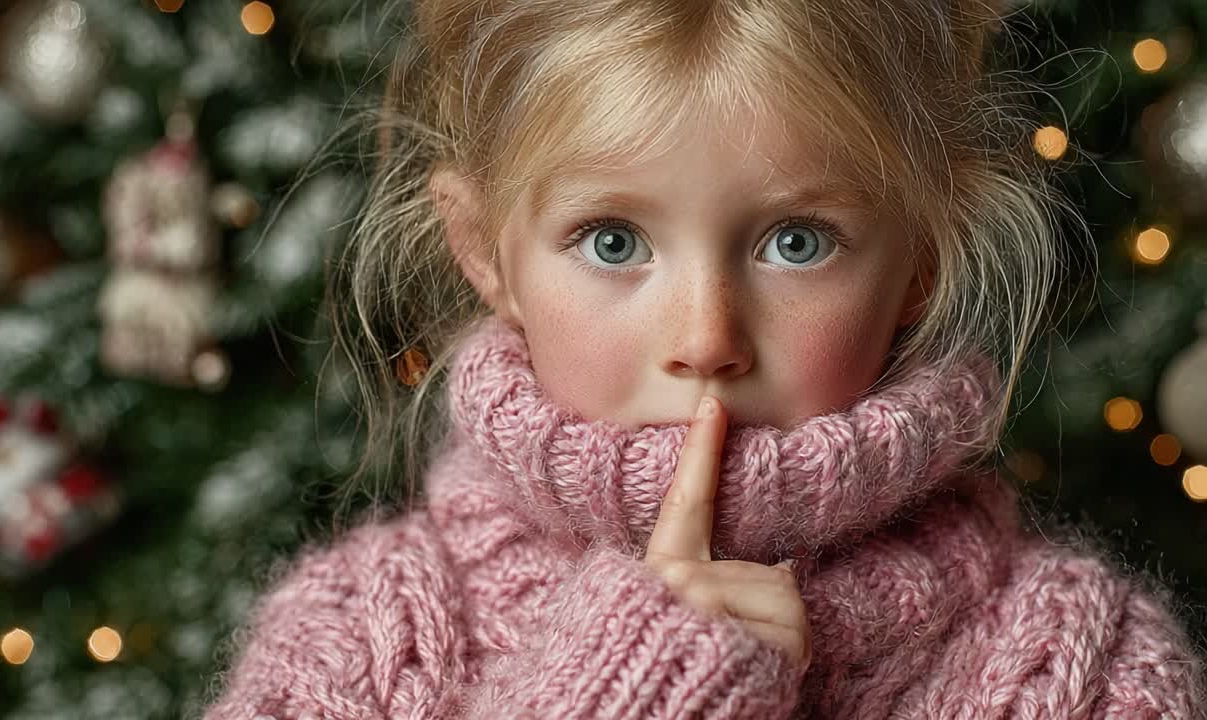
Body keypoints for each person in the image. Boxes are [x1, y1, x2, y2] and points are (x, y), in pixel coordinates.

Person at [203, 1, 1205, 717]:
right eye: (611, 241)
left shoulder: (1085, 674)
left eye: (796, 242)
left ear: (920, 261)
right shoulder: (350, 647)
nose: (705, 340)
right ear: (483, 253)